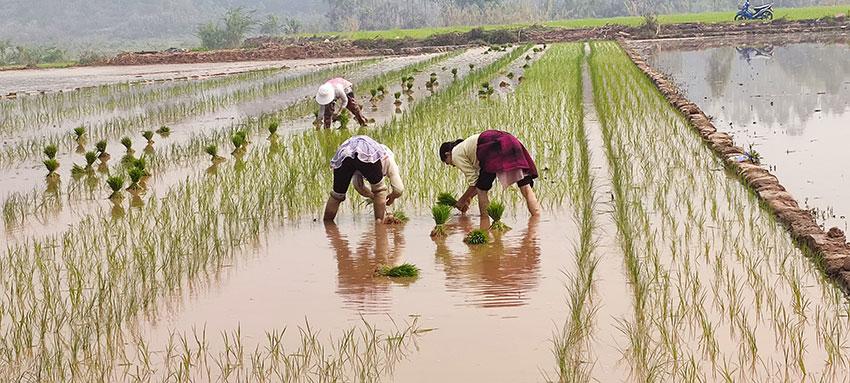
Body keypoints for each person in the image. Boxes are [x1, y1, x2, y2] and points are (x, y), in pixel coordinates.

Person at [439, 130, 541, 216]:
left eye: (447, 162)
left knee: (481, 190)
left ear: (447, 154)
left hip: (493, 146)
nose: (451, 165)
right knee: (525, 187)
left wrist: (461, 200)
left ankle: (484, 223)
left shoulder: (455, 153)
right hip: (511, 141)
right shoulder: (466, 148)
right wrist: (468, 198)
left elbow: (475, 183)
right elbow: (480, 181)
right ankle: (536, 220)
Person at [324, 135, 404, 222]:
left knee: (337, 195)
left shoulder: (375, 156)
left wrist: (372, 196)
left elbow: (358, 186)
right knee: (380, 191)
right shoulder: (388, 158)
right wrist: (390, 197)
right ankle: (379, 225)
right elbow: (399, 189)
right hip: (366, 150)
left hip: (344, 153)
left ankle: (327, 224)